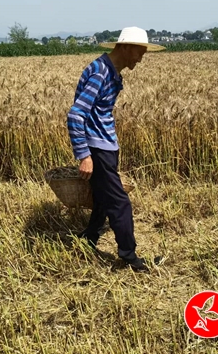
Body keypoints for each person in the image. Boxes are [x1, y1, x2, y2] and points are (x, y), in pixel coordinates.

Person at [67, 27, 165, 272]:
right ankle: (129, 257)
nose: (141, 58)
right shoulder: (100, 72)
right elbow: (76, 114)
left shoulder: (110, 71)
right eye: (139, 52)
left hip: (105, 146)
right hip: (97, 148)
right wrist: (84, 155)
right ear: (125, 47)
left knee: (102, 197)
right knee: (120, 202)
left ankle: (89, 238)